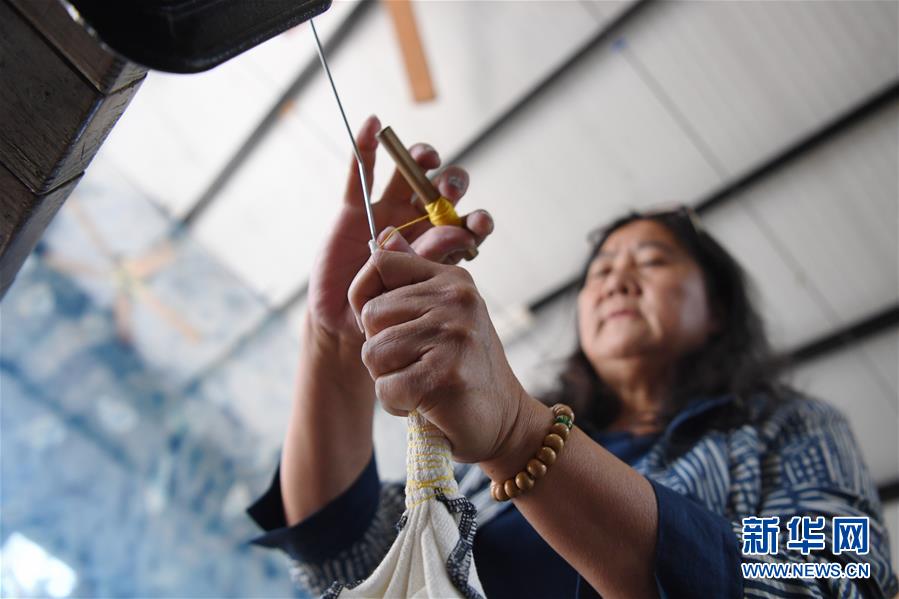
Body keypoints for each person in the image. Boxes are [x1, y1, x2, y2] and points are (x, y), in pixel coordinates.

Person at [246, 115, 898, 598]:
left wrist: (522, 438)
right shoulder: (479, 464)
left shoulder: (786, 431)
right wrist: (335, 344)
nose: (616, 281)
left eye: (652, 261)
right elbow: (348, 554)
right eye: (601, 270)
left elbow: (837, 574)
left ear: (718, 309)